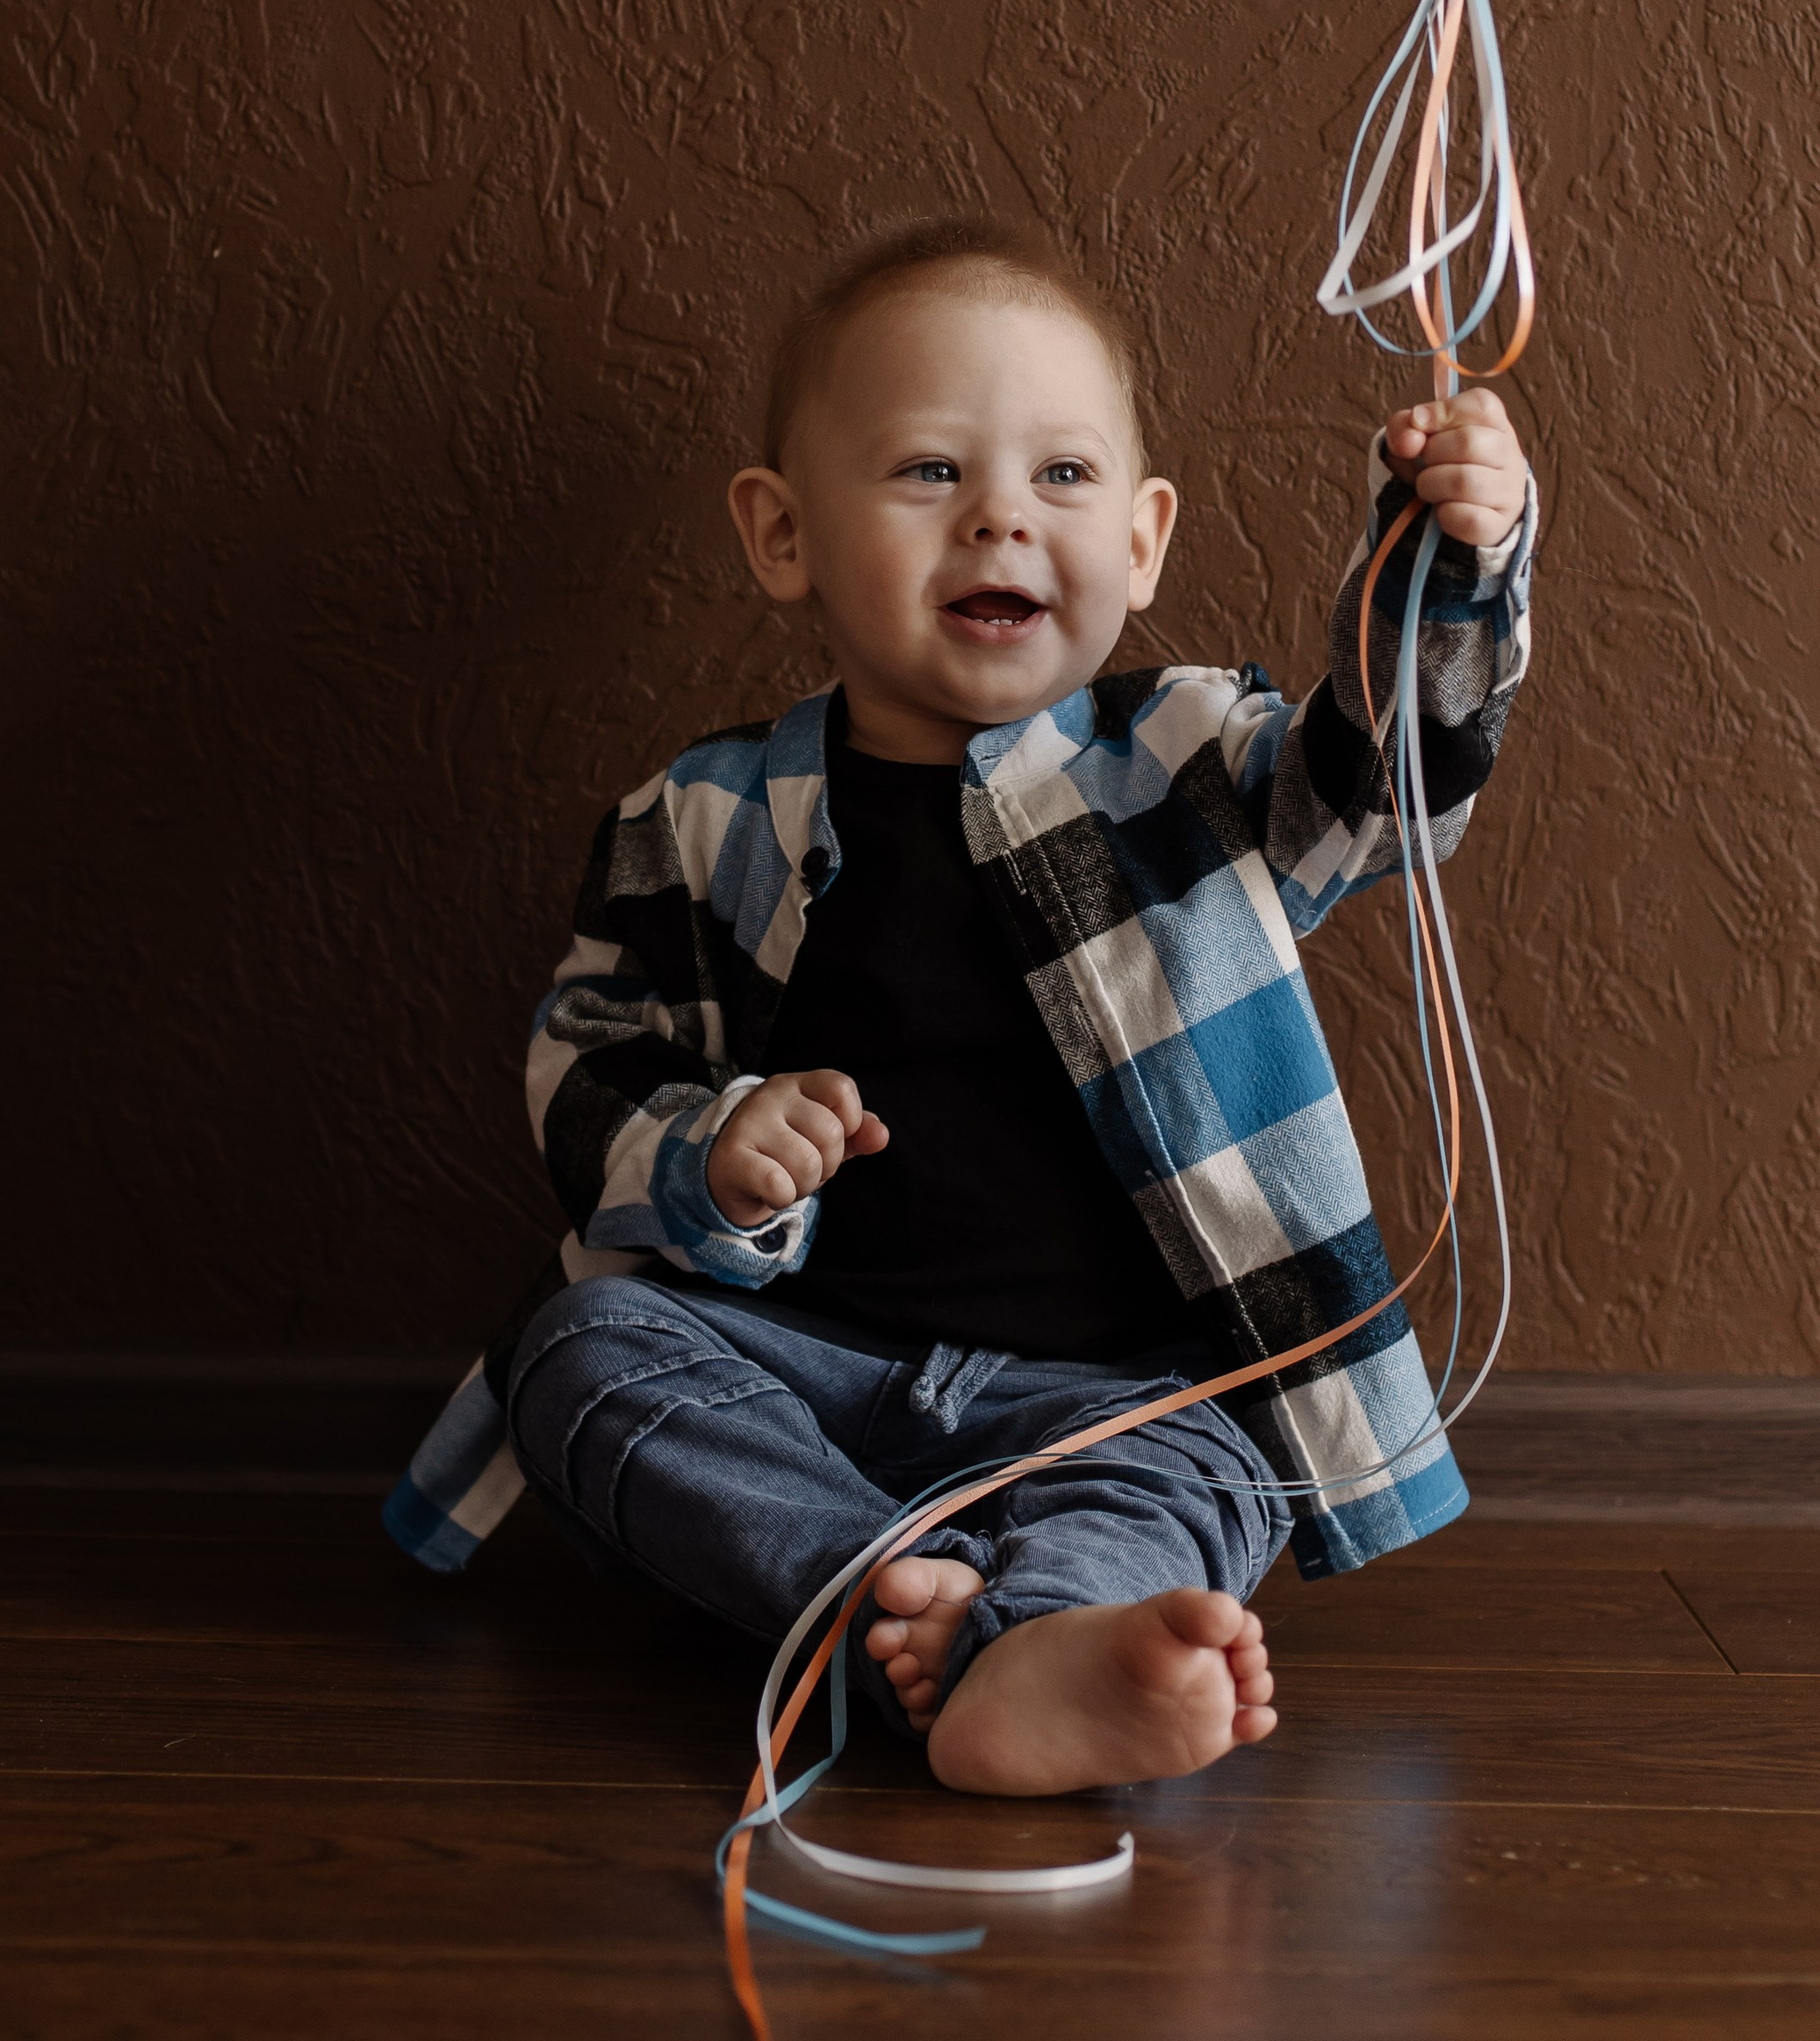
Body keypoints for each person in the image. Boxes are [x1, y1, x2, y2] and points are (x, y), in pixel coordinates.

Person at [385, 216, 1534, 1796]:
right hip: (807, 1383)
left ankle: (1051, 1644)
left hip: (1115, 1398)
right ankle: (880, 1593)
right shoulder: (698, 820)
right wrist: (714, 1150)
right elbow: (587, 1065)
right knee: (585, 1350)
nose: (1000, 516)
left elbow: (1386, 783)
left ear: (1141, 543)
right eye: (930, 472)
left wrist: (1450, 566)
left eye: (1062, 479)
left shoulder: (1193, 766)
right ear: (783, 534)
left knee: (1207, 1472)